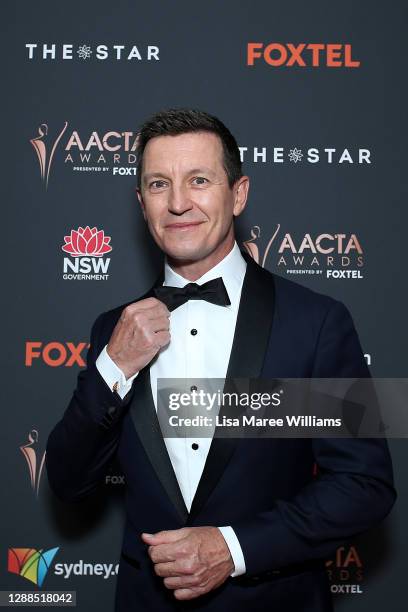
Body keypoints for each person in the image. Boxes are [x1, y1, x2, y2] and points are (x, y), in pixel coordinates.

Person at [46, 108, 396, 611]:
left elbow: (363, 486)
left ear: (239, 194)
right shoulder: (112, 330)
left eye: (200, 180)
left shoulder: (313, 323)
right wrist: (114, 367)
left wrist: (233, 549)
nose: (179, 202)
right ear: (141, 202)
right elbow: (68, 481)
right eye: (159, 184)